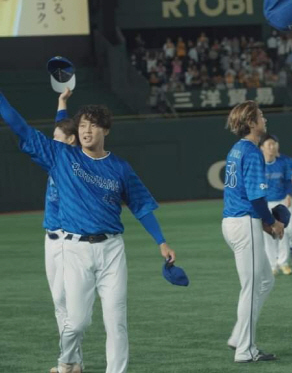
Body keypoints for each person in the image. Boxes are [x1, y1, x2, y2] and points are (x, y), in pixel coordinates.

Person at [0, 93, 177, 373]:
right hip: (75, 251)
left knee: (116, 321)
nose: (86, 130)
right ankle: (67, 360)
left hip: (112, 250)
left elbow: (141, 206)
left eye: (93, 125)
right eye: (82, 125)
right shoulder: (61, 156)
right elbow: (21, 127)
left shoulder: (120, 167)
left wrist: (161, 241)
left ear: (105, 130)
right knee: (78, 321)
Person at [222, 100, 284, 363]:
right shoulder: (252, 151)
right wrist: (271, 222)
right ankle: (245, 349)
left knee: (265, 281)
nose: (264, 119)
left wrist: (263, 223)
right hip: (243, 222)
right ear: (250, 122)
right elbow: (257, 197)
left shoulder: (237, 149)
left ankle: (239, 335)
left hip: (235, 221)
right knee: (252, 286)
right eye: (260, 116)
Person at [44, 89, 80, 373]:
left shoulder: (74, 162)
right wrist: (62, 103)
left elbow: (66, 132)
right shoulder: (58, 155)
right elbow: (62, 126)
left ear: (70, 141)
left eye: (57, 137)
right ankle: (74, 361)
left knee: (67, 302)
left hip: (70, 238)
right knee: (59, 302)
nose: (52, 139)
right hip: (50, 238)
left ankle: (67, 363)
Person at [260, 134, 292, 275]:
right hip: (265, 203)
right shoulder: (258, 164)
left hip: (280, 201)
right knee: (269, 234)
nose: (272, 147)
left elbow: (287, 180)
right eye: (269, 145)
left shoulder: (282, 163)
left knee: (285, 232)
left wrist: (288, 194)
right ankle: (272, 265)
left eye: (274, 144)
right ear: (262, 148)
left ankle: (283, 262)